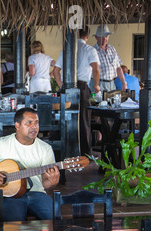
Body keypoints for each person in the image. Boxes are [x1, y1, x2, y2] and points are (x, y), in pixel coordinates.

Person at [0, 108, 60, 221]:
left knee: (54, 221)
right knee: (12, 227)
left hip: (37, 194)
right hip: (9, 196)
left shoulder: (45, 149)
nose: (34, 126)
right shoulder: (1, 144)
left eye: (36, 123)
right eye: (29, 123)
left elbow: (46, 184)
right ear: (17, 125)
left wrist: (53, 182)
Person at [52, 26, 101, 156]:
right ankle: (85, 153)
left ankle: (62, 152)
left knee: (63, 119)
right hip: (82, 87)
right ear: (87, 35)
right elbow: (96, 69)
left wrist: (62, 85)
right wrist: (96, 85)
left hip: (66, 88)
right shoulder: (90, 49)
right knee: (83, 120)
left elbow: (55, 71)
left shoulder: (65, 50)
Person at [91, 24, 127, 93]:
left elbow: (118, 68)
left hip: (111, 83)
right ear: (96, 37)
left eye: (106, 36)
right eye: (102, 36)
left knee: (112, 103)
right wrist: (95, 85)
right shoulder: (92, 51)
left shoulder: (112, 49)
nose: (105, 38)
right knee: (98, 103)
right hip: (98, 84)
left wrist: (124, 82)